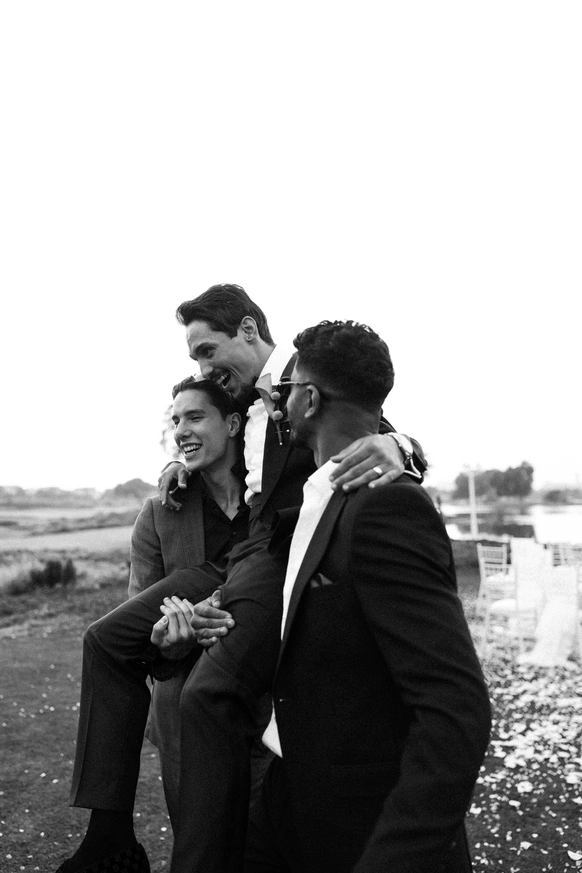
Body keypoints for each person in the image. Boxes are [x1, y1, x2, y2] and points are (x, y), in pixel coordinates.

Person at [54, 284, 426, 873]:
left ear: (248, 330)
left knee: (210, 698)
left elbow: (372, 422)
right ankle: (112, 836)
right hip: (239, 559)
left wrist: (396, 444)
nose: (204, 368)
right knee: (105, 641)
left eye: (207, 351)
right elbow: (211, 434)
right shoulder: (238, 406)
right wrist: (179, 461)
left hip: (281, 557)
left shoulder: (304, 383)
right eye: (195, 360)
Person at [242, 320, 492, 872]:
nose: (280, 406)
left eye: (287, 392)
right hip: (288, 790)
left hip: (357, 818)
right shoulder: (319, 496)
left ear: (310, 399)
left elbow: (455, 706)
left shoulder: (386, 507)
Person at [128, 375, 251, 828]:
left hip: (268, 707)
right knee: (198, 843)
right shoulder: (159, 512)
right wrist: (167, 643)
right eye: (176, 420)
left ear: (233, 424)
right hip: (183, 712)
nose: (181, 430)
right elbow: (139, 626)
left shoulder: (270, 502)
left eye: (195, 417)